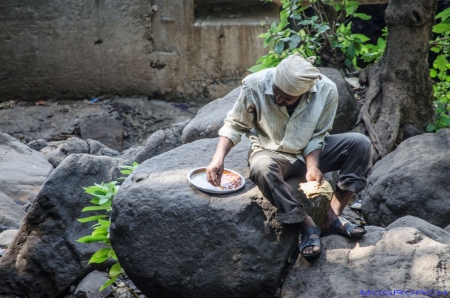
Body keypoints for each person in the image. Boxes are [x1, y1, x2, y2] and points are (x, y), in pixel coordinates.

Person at [205, 54, 371, 259]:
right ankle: (306, 224)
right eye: (276, 92)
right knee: (262, 167)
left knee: (360, 143)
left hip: (307, 151)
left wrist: (312, 166)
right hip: (271, 152)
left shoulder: (326, 90)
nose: (278, 99)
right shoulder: (254, 85)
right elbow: (234, 124)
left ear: (304, 92)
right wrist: (218, 158)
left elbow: (318, 135)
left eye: (287, 97)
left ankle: (333, 216)